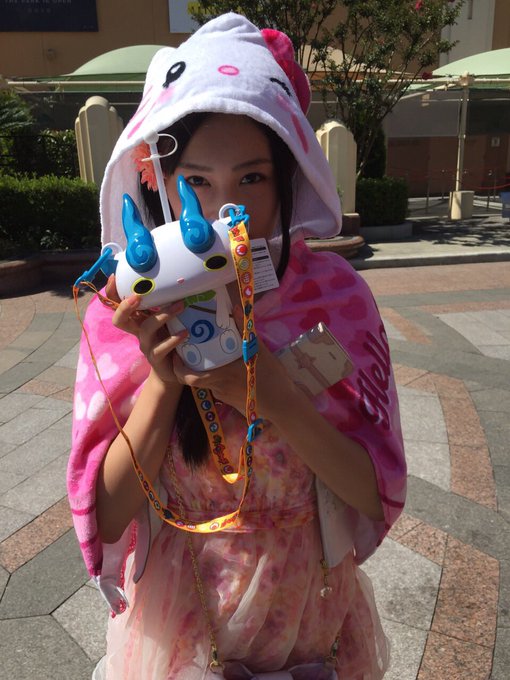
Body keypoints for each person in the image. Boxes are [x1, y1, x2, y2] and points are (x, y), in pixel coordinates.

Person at [68, 12, 406, 680]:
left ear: (288, 177)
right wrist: (163, 380)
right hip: (182, 631)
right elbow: (106, 517)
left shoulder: (335, 298)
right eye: (196, 180)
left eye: (252, 179)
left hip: (314, 623)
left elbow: (374, 492)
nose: (226, 211)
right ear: (157, 179)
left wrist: (269, 391)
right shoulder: (124, 312)